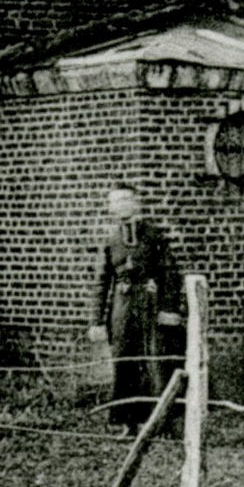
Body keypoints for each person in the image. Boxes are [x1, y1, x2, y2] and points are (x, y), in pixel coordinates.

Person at [86, 186, 185, 433]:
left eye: (125, 199)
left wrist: (168, 308)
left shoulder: (154, 236)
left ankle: (162, 423)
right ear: (110, 208)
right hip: (122, 307)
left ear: (136, 203)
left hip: (150, 305)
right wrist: (96, 320)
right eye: (115, 201)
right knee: (124, 361)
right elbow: (102, 281)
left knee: (155, 362)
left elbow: (170, 275)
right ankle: (126, 422)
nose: (121, 205)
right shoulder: (110, 241)